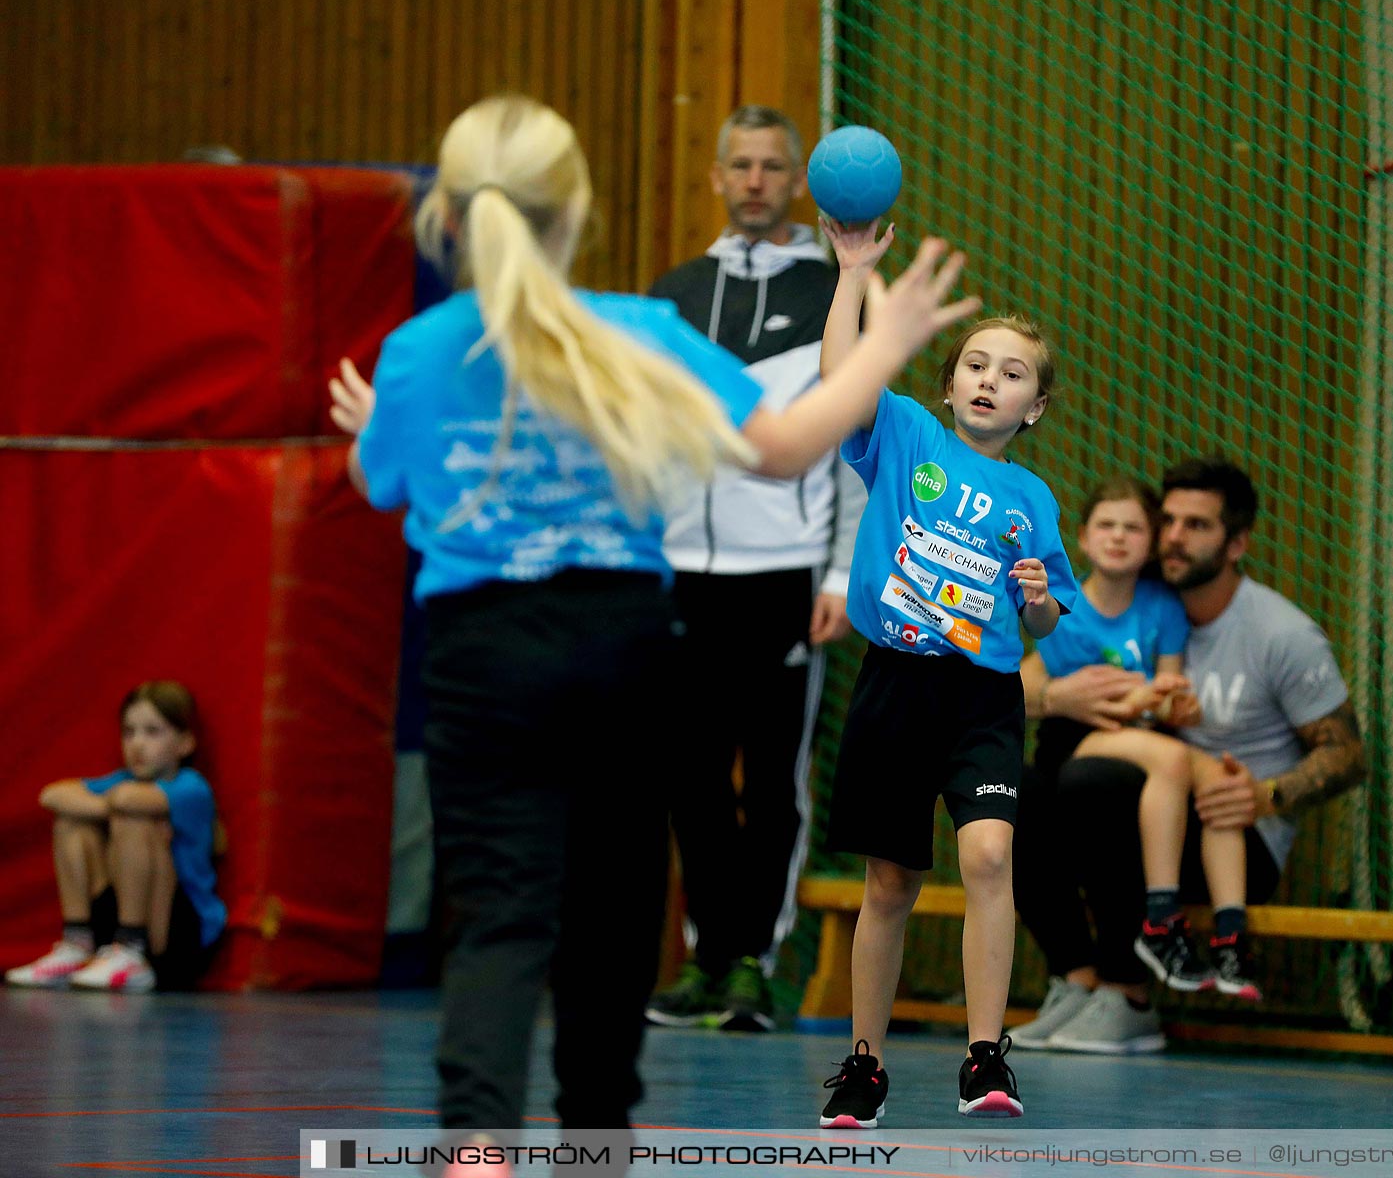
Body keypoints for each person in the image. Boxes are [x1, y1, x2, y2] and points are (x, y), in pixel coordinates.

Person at [326, 95, 978, 1173]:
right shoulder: (637, 328)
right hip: (621, 646)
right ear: (576, 210)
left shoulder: (418, 351)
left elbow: (373, 482)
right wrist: (884, 333)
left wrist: (372, 428)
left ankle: (480, 1144)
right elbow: (786, 447)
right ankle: (594, 1143)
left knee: (499, 912)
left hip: (482, 656)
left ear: (453, 212)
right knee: (614, 915)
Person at [813, 218, 1079, 1127]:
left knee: (990, 853)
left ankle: (985, 1054)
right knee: (889, 882)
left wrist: (1038, 595)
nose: (988, 381)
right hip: (895, 683)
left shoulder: (1034, 501)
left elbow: (1043, 620)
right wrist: (853, 275)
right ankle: (864, 1064)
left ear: (1033, 407)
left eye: (1012, 374)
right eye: (975, 364)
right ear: (950, 380)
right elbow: (841, 377)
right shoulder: (906, 437)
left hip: (981, 700)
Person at [1013, 459, 1365, 1054]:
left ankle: (1129, 996)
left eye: (1196, 526)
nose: (1174, 537)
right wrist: (1054, 695)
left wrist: (1268, 795)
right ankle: (1078, 981)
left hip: (1232, 833)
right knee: (1015, 790)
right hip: (1148, 805)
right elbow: (1029, 679)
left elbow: (1349, 755)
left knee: (1094, 779)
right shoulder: (1135, 604)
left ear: (1236, 544)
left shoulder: (1280, 634)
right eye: (1168, 520)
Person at [644, 106, 866, 1033]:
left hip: (783, 577)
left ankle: (753, 965)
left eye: (773, 167)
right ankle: (707, 957)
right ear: (716, 176)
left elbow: (856, 437)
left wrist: (843, 576)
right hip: (681, 574)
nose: (755, 181)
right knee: (690, 777)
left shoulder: (830, 293)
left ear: (796, 182)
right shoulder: (673, 294)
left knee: (770, 783)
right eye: (740, 165)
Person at [1019, 478, 1260, 998]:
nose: (1119, 537)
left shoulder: (1162, 607)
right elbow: (1076, 698)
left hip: (1139, 741)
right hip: (1079, 740)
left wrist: (1176, 701)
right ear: (1082, 538)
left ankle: (1230, 935)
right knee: (1177, 761)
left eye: (1133, 528)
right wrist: (1137, 701)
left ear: (1150, 542)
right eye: (1106, 525)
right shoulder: (1063, 608)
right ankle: (1160, 920)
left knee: (1213, 775)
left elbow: (1166, 690)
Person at [7, 681, 225, 994]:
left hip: (177, 935)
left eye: (153, 732)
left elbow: (128, 801)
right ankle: (78, 943)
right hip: (117, 921)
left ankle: (132, 947)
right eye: (129, 732)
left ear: (185, 743)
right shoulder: (123, 781)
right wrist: (108, 806)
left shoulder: (192, 787)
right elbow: (51, 795)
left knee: (133, 821)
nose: (137, 744)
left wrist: (109, 806)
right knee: (71, 825)